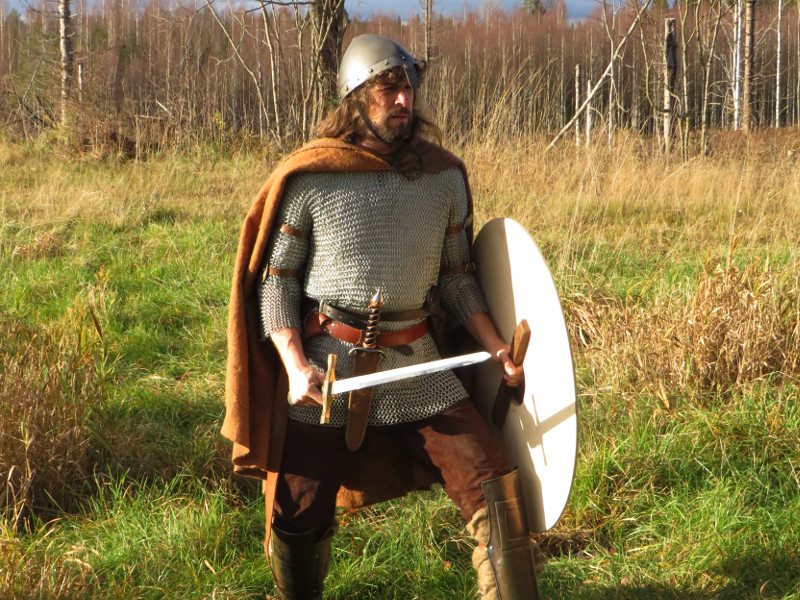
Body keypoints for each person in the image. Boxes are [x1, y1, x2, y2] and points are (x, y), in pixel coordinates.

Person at [222, 34, 541, 600]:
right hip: (329, 370)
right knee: (296, 517)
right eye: (388, 88)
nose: (403, 100)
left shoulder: (443, 177)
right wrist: (295, 365)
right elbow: (278, 282)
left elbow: (458, 278)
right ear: (356, 97)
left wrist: (495, 346)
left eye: (408, 87)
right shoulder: (312, 176)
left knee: (496, 494)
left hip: (419, 366)